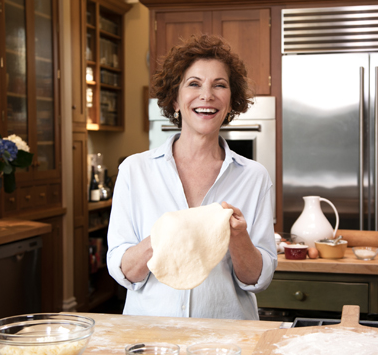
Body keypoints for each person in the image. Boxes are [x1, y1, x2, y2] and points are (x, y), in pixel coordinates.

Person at [106, 34, 277, 320]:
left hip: (228, 340)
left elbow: (256, 280)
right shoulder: (135, 171)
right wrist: (164, 234)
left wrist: (238, 237)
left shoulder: (254, 177)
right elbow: (124, 271)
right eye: (194, 84)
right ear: (174, 99)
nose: (206, 95)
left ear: (231, 102)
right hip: (151, 337)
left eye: (219, 85)